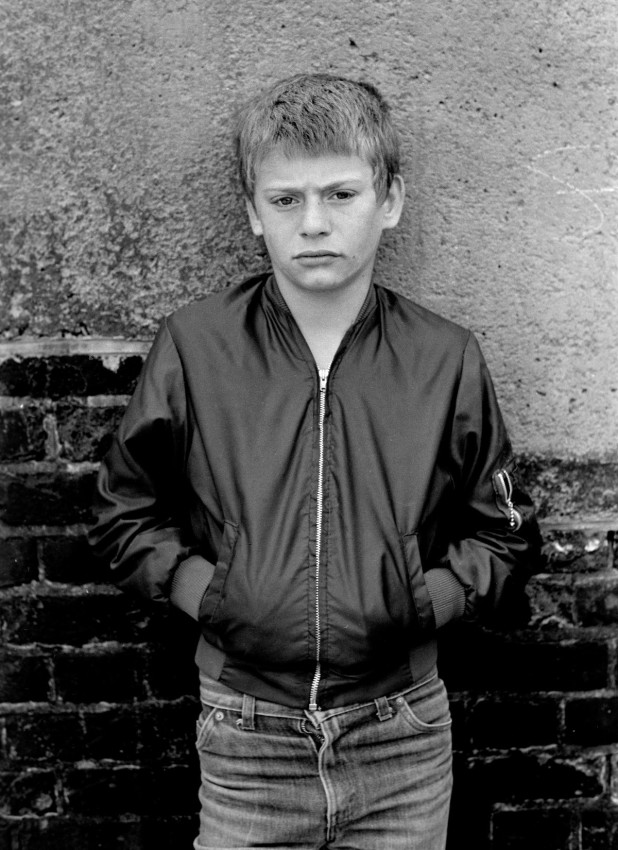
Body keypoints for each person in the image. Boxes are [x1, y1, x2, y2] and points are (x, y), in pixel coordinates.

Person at [89, 74, 541, 850]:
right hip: (245, 737)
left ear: (389, 201)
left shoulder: (444, 357)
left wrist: (416, 603)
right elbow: (124, 512)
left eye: (341, 194)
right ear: (252, 214)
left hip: (401, 735)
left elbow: (501, 531)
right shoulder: (196, 346)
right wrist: (217, 594)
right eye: (286, 200)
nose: (314, 224)